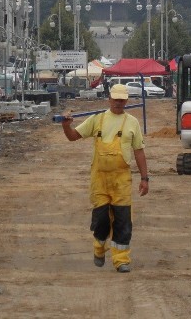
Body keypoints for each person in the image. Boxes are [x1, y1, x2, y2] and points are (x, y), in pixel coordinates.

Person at [60, 84, 149, 273]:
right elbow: (73, 136)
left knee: (123, 221)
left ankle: (121, 260)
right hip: (99, 180)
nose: (118, 102)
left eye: (122, 99)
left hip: (122, 181)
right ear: (109, 99)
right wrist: (66, 126)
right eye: (115, 99)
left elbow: (139, 151)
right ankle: (99, 248)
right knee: (101, 221)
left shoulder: (132, 122)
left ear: (126, 100)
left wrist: (145, 178)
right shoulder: (97, 119)